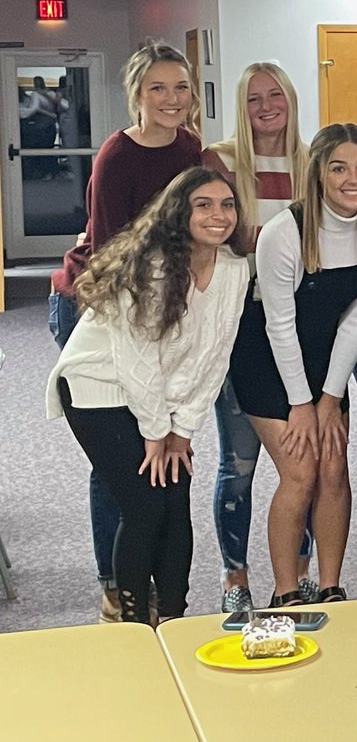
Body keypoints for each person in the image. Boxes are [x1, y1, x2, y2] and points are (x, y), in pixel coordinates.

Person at [47, 167, 249, 622]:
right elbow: (138, 359)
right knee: (143, 506)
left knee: (176, 504)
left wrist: (182, 430)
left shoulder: (235, 272)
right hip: (96, 386)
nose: (219, 215)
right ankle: (134, 624)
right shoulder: (152, 265)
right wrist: (158, 431)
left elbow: (214, 357)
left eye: (227, 205)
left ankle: (173, 620)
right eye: (204, 205)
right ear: (180, 212)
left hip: (157, 395)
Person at [48, 40, 202, 622]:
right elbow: (114, 254)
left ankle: (154, 581)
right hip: (96, 305)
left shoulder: (190, 148)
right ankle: (113, 580)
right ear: (137, 93)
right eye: (157, 88)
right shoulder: (117, 156)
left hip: (156, 307)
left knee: (154, 451)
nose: (170, 99)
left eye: (180, 88)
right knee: (117, 454)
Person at [228, 124, 357, 606]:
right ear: (319, 175)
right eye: (339, 168)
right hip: (266, 358)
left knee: (334, 468)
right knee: (302, 471)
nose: (354, 178)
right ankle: (286, 595)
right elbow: (279, 326)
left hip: (327, 360)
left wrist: (329, 399)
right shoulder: (284, 233)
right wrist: (302, 405)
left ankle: (329, 588)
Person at [203, 62, 311, 612]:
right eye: (253, 99)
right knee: (239, 462)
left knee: (307, 460)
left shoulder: (313, 161)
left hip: (300, 328)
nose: (267, 106)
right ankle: (234, 576)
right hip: (241, 330)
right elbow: (214, 243)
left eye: (276, 95)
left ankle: (299, 572)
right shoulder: (220, 162)